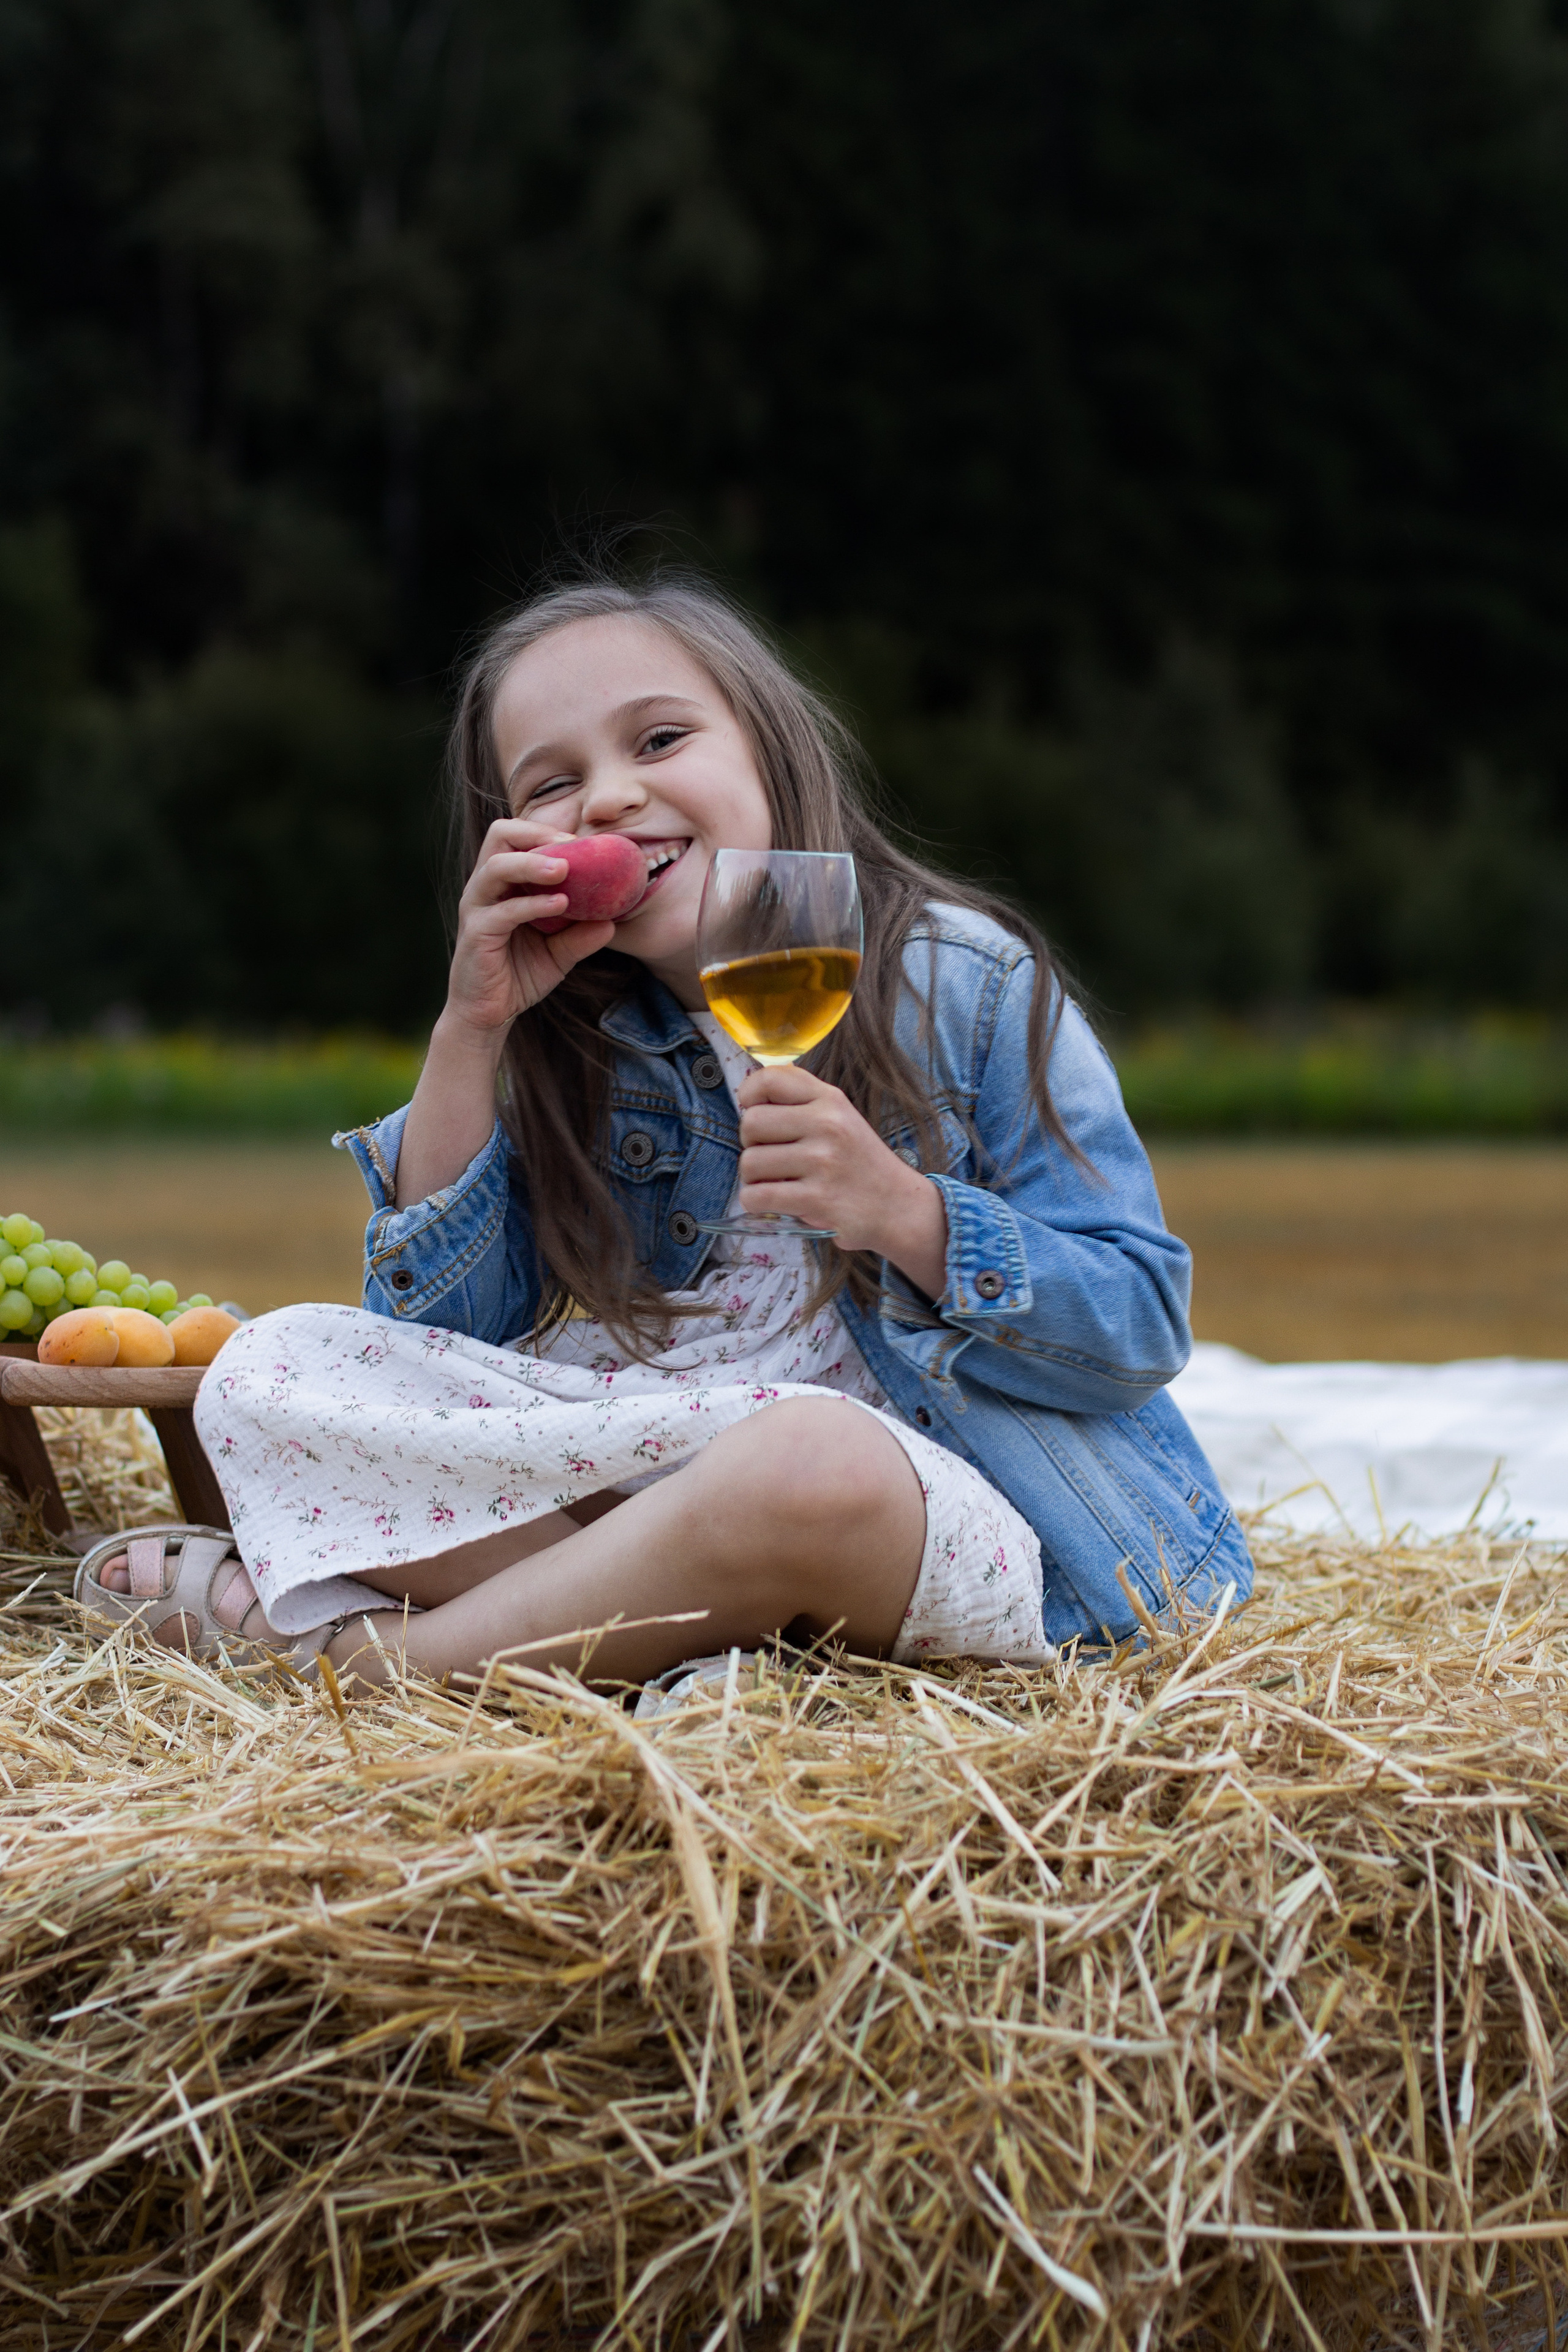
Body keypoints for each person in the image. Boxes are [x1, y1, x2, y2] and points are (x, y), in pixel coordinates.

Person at [77, 576, 1253, 1694]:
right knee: (265, 1375)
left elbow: (1141, 1322)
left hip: (942, 1515)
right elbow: (436, 1339)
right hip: (656, 1475)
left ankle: (388, 1670)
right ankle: (663, 1658)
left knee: (804, 1464)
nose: (608, 798)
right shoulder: (575, 1023)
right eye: (550, 784)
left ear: (768, 753)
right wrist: (471, 1026)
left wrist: (908, 1215)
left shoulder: (966, 985)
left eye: (658, 742)